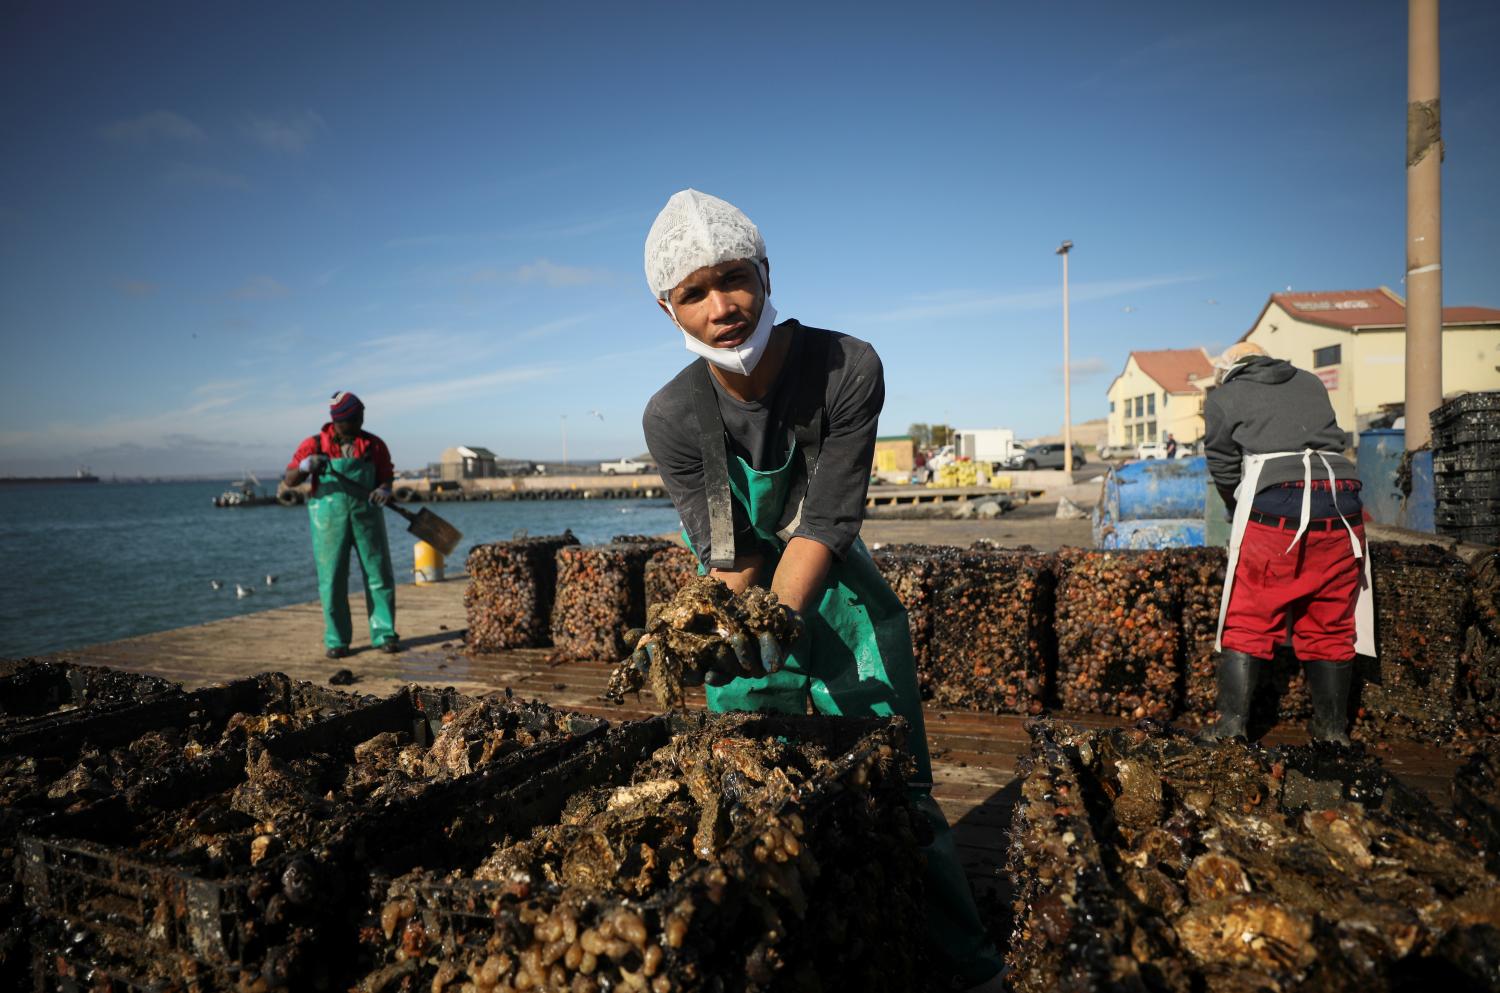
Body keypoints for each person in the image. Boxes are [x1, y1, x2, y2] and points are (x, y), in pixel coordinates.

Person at [639, 190, 1004, 992]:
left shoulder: (847, 364)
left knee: (896, 787)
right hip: (738, 605)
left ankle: (969, 968)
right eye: (694, 293)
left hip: (837, 591)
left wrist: (786, 617)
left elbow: (826, 518)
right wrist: (743, 633)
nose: (722, 306)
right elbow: (727, 553)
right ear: (666, 307)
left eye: (734, 279)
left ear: (766, 273)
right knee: (751, 792)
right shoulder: (671, 414)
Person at [1199, 342, 1372, 744]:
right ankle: (1332, 731)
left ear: (1228, 370)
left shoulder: (1224, 396)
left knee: (1250, 615)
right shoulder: (1310, 382)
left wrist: (1234, 506)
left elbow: (1223, 464)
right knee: (1330, 617)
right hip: (1342, 503)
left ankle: (1230, 727)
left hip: (1279, 508)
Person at [284, 391, 400, 659]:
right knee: (332, 579)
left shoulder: (374, 445)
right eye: (355, 418)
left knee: (379, 575)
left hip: (367, 517)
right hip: (328, 521)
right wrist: (304, 467)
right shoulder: (314, 444)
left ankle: (385, 633)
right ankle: (337, 639)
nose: (361, 421)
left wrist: (384, 489)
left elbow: (386, 477)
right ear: (339, 420)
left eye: (362, 416)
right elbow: (290, 479)